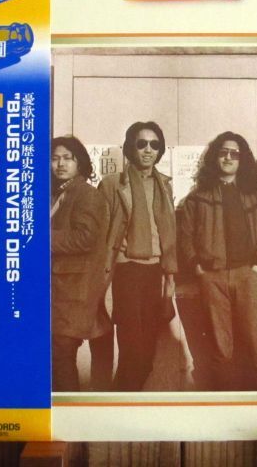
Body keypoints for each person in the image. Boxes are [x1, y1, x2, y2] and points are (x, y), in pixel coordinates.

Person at [178, 132, 257, 391]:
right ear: (215, 157)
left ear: (242, 159)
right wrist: (198, 267)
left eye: (234, 153)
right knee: (221, 347)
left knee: (254, 345)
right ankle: (225, 401)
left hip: (248, 275)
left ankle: (254, 403)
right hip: (213, 277)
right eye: (223, 153)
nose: (228, 158)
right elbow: (185, 236)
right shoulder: (197, 197)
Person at [98, 121, 177, 391]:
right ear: (131, 147)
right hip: (126, 271)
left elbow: (169, 232)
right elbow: (101, 232)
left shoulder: (164, 185)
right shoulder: (112, 184)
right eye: (141, 144)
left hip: (156, 272)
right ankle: (118, 404)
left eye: (154, 145)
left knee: (147, 355)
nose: (148, 150)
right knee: (132, 350)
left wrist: (169, 279)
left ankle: (120, 401)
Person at [50, 136, 113, 392]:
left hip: (75, 289)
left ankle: (71, 409)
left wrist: (39, 238)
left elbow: (85, 238)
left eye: (68, 158)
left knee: (61, 354)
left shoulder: (86, 194)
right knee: (58, 355)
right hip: (62, 289)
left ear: (80, 163)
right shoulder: (58, 193)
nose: (60, 164)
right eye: (55, 159)